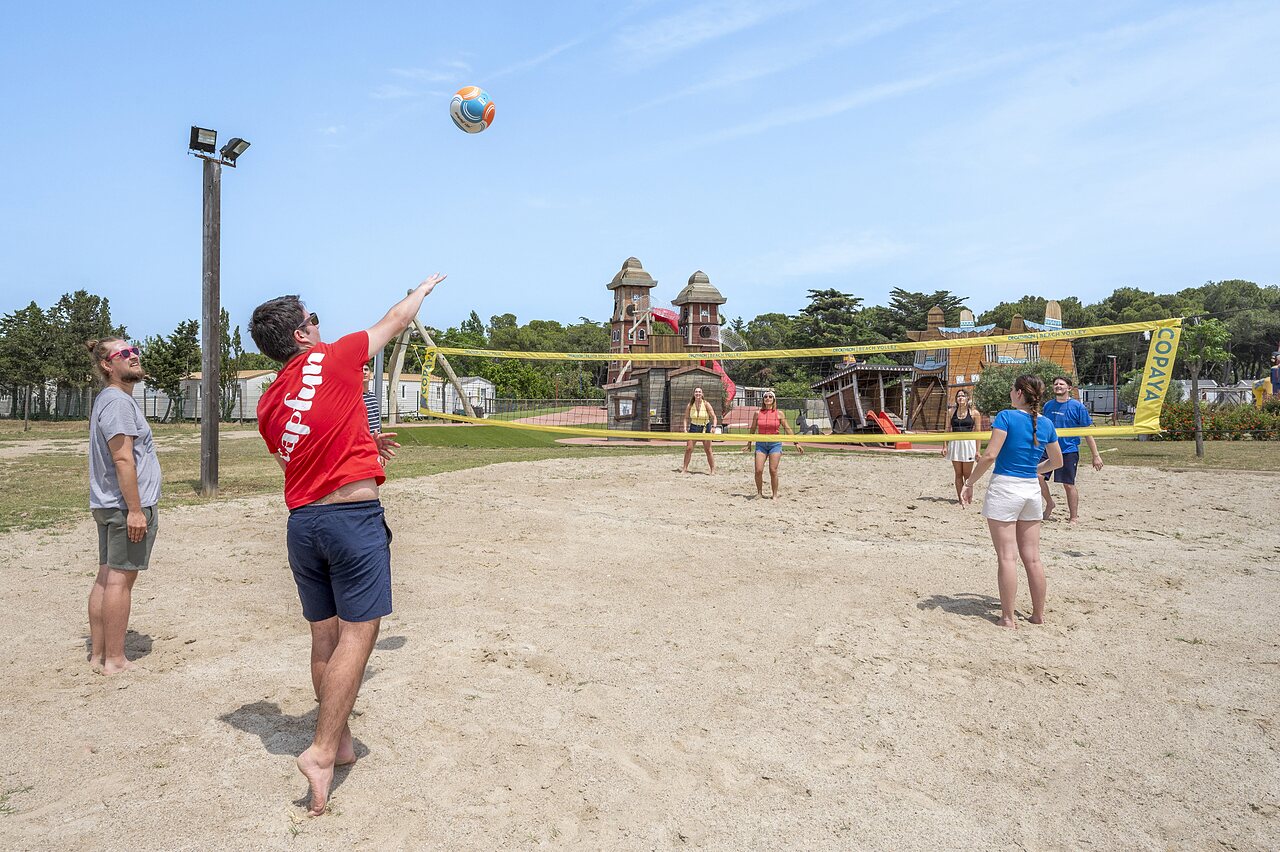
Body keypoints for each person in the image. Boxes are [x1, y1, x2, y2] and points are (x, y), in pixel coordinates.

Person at [249, 273, 445, 816]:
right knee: (360, 634)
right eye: (312, 319)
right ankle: (319, 750)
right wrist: (422, 291)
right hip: (350, 519)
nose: (319, 323)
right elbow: (394, 321)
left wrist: (363, 441)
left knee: (324, 636)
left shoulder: (268, 403)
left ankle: (337, 742)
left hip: (303, 524)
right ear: (301, 335)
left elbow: (301, 452)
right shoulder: (333, 357)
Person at [961, 375, 1062, 629]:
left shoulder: (1006, 416)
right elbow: (1057, 462)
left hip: (1006, 488)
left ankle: (1007, 618)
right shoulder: (1046, 423)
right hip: (1030, 491)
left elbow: (990, 455)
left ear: (1019, 393)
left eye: (1011, 389)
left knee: (1007, 557)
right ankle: (1038, 615)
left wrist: (969, 483)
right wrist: (1036, 469)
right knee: (1033, 558)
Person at [85, 338, 162, 675]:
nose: (133, 357)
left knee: (106, 577)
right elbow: (122, 458)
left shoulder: (112, 399)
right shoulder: (117, 402)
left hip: (109, 505)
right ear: (107, 365)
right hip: (123, 507)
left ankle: (99, 655)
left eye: (134, 351)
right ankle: (114, 660)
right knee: (119, 581)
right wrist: (135, 510)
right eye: (123, 354)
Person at [1039, 375, 1103, 523]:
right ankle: (1050, 503)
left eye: (1061, 384)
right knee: (1037, 476)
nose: (1058, 386)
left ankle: (1073, 516)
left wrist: (1096, 455)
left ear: (1069, 388)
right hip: (1048, 449)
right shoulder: (1048, 405)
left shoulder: (1078, 407)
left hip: (1068, 450)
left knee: (1068, 484)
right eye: (1055, 384)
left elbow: (1087, 432)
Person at [749, 390, 803, 499]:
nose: (768, 398)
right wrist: (749, 442)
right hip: (761, 444)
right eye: (765, 397)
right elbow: (753, 428)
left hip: (775, 444)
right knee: (758, 470)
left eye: (770, 396)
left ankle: (774, 495)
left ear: (773, 399)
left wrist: (796, 443)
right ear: (763, 400)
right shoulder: (757, 413)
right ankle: (759, 493)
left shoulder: (779, 413)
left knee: (773, 470)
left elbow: (787, 428)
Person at [941, 388, 982, 503]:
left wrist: (978, 451)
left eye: (963, 396)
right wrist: (944, 446)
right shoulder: (951, 412)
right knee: (958, 473)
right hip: (955, 444)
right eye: (958, 396)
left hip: (968, 444)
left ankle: (968, 497)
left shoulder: (974, 413)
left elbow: (978, 433)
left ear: (968, 398)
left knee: (967, 475)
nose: (960, 398)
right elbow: (947, 430)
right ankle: (960, 498)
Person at [680, 386, 718, 474]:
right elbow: (685, 418)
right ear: (694, 394)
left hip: (705, 427)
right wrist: (685, 429)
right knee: (688, 449)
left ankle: (712, 469)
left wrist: (714, 427)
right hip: (694, 427)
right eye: (696, 392)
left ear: (702, 394)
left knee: (708, 449)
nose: (698, 393)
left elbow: (714, 417)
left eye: (699, 392)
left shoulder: (706, 404)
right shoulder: (690, 405)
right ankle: (684, 469)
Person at [362, 362, 382, 435]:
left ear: (370, 373)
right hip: (364, 441)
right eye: (361, 370)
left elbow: (377, 419)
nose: (364, 372)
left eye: (366, 369)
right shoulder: (355, 397)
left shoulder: (373, 396)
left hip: (376, 440)